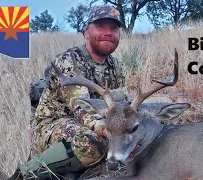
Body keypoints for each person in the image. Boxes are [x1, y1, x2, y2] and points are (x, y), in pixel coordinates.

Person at [9, 5, 126, 180]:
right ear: (87, 31)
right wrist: (116, 132)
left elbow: (120, 107)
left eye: (114, 28)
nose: (108, 32)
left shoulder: (116, 66)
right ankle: (25, 174)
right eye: (101, 26)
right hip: (51, 125)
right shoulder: (70, 61)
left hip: (88, 125)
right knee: (94, 143)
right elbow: (81, 109)